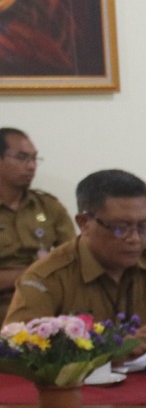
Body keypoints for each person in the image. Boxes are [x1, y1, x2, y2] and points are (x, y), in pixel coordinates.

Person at [5, 169, 146, 346]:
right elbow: (18, 348)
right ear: (84, 223)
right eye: (121, 227)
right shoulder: (47, 277)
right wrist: (111, 350)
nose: (135, 239)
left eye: (143, 226)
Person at [0, 128, 72, 301]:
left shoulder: (48, 207)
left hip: (46, 304)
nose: (31, 166)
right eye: (22, 158)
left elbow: (73, 258)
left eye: (34, 159)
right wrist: (34, 273)